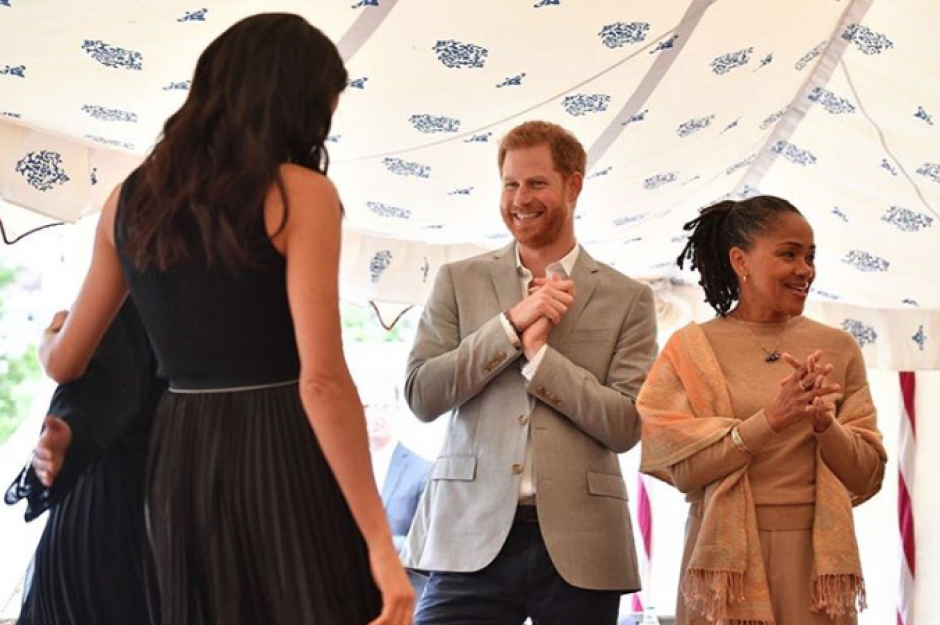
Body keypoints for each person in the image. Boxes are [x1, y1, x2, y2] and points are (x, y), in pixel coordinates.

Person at [36, 13, 412, 625]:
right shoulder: (300, 194)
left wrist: (48, 337)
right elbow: (321, 381)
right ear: (294, 99)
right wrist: (380, 543)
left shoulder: (127, 201)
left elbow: (66, 362)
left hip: (180, 454)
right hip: (280, 441)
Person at [402, 120, 658, 625]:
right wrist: (509, 327)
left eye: (536, 183)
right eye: (510, 184)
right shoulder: (457, 280)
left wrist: (542, 359)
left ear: (573, 185)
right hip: (466, 535)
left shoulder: (629, 298)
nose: (520, 199)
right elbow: (422, 395)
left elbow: (626, 425)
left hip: (584, 546)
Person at [638, 196, 887, 625]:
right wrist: (772, 421)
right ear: (741, 261)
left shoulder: (838, 347)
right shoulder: (690, 349)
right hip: (721, 565)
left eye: (810, 257)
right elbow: (684, 473)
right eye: (789, 254)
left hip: (816, 563)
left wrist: (825, 425)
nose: (805, 270)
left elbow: (868, 476)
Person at [6, 300, 161, 625]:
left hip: (119, 506)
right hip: (190, 481)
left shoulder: (132, 275)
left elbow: (64, 364)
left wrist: (49, 341)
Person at [359, 370, 432, 596]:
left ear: (397, 410)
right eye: (368, 406)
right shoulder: (344, 467)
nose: (376, 415)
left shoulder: (423, 471)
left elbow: (428, 540)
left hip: (405, 591)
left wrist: (382, 544)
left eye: (384, 406)